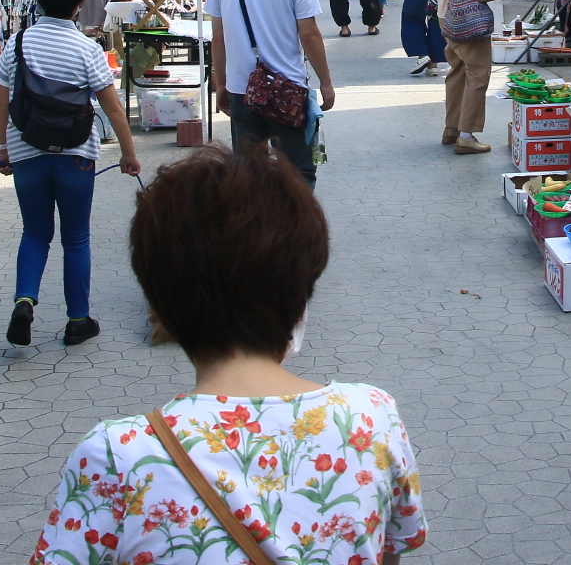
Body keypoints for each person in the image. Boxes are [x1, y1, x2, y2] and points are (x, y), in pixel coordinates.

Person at [32, 146, 427, 565]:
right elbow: (389, 549)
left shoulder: (116, 454)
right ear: (302, 292)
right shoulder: (372, 418)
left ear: (160, 305)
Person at [0, 0, 141, 348]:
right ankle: (78, 320)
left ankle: (25, 301)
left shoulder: (18, 43)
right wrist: (129, 153)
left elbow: (2, 103)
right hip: (75, 154)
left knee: (35, 232)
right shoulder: (86, 48)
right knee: (75, 238)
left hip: (26, 152)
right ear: (78, 4)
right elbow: (113, 109)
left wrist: (1, 149)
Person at [205, 0, 338, 185]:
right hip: (287, 90)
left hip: (242, 88)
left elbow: (219, 36)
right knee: (298, 171)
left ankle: (254, 227)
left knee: (248, 173)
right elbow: (309, 33)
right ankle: (295, 226)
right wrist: (325, 82)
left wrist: (221, 82)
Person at [438, 0, 502, 154]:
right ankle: (467, 135)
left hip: (446, 19)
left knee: (457, 72)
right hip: (467, 25)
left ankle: (451, 128)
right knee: (478, 74)